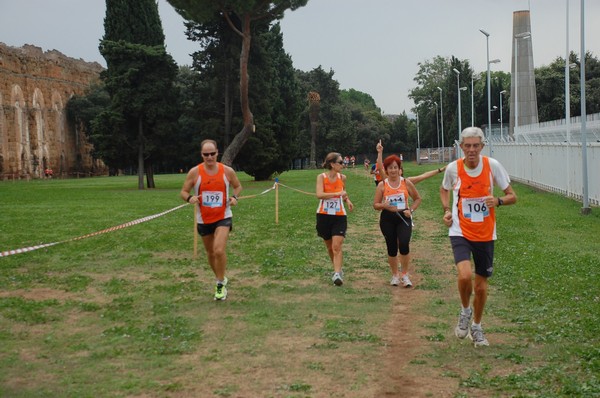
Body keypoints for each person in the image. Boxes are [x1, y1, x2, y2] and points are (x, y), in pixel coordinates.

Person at [440, 127, 516, 347]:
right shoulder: (453, 168)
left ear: (482, 146)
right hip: (460, 230)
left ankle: (477, 326)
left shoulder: (492, 166)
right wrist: (446, 210)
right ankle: (465, 311)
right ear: (461, 147)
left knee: (481, 286)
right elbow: (444, 189)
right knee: (464, 276)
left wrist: (499, 201)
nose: (471, 150)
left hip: (485, 233)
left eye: (475, 145)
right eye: (467, 146)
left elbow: (512, 196)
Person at [180, 139, 242, 301]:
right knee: (210, 253)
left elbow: (238, 186)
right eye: (206, 154)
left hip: (223, 216)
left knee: (219, 250)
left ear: (217, 153)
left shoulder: (226, 171)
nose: (209, 157)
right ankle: (220, 277)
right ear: (201, 155)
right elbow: (184, 192)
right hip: (204, 218)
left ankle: (220, 284)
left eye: (212, 154)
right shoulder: (195, 172)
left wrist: (235, 197)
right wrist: (190, 198)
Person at [373, 153, 421, 287]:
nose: (393, 170)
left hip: (403, 217)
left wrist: (410, 210)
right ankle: (395, 275)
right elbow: (375, 205)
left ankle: (405, 274)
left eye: (395, 167)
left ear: (399, 169)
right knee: (392, 247)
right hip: (387, 219)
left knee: (404, 244)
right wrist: (384, 205)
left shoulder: (406, 182)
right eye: (390, 168)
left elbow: (417, 199)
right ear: (386, 170)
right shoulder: (382, 185)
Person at [316, 152, 354, 286]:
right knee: (330, 247)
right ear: (332, 164)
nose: (343, 165)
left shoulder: (342, 177)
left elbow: (343, 192)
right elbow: (319, 194)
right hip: (323, 215)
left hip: (339, 216)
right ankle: (337, 269)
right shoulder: (321, 177)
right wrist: (337, 194)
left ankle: (337, 274)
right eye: (341, 162)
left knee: (336, 246)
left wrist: (347, 200)